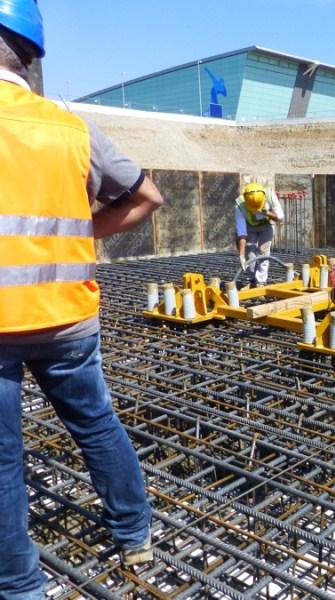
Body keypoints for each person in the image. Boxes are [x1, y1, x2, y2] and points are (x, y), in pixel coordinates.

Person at [0, 1, 164, 596]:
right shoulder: (68, 125)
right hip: (68, 316)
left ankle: (19, 586)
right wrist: (75, 230)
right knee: (96, 426)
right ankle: (136, 538)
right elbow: (147, 197)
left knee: (3, 461)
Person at [234, 181, 284, 287]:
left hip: (266, 227)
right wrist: (241, 255)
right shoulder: (240, 206)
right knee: (250, 255)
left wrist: (266, 212)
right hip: (250, 228)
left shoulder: (270, 195)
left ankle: (261, 281)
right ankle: (251, 280)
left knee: (263, 253)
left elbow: (280, 217)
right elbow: (241, 233)